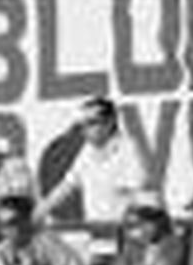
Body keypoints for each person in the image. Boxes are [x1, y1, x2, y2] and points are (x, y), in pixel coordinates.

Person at [37, 95, 147, 225]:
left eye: (91, 122)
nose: (85, 130)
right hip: (94, 232)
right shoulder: (87, 152)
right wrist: (36, 214)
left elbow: (140, 196)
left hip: (122, 233)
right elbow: (64, 188)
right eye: (82, 125)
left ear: (109, 122)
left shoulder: (128, 150)